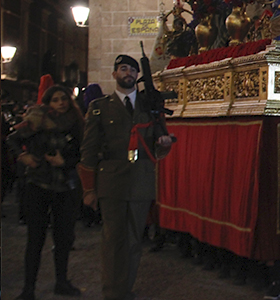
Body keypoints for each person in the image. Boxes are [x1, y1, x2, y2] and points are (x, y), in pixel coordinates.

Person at [78, 55, 174, 300]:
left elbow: (159, 144)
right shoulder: (100, 107)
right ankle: (112, 292)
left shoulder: (149, 106)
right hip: (111, 181)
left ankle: (125, 289)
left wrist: (164, 144)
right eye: (123, 68)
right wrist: (88, 189)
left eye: (132, 69)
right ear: (114, 75)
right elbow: (88, 151)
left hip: (140, 181)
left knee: (133, 240)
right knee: (113, 239)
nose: (128, 73)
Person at [8, 85, 84, 299]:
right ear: (47, 103)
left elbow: (81, 152)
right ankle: (28, 288)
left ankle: (62, 281)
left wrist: (65, 161)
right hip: (38, 185)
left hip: (65, 187)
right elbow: (12, 139)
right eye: (55, 99)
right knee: (35, 239)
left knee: (63, 239)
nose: (61, 102)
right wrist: (23, 157)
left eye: (64, 99)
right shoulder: (36, 121)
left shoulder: (76, 124)